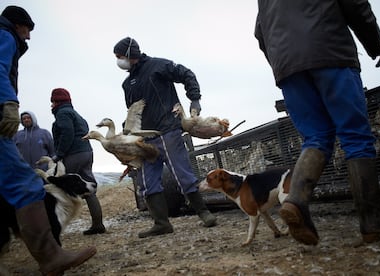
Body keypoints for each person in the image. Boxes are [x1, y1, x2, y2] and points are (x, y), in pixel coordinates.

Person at [254, 0, 380, 245]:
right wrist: (374, 44)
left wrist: (284, 62)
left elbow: (261, 32)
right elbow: (355, 5)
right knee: (355, 136)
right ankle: (372, 221)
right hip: (330, 53)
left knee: (315, 137)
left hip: (288, 68)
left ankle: (296, 202)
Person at [0, 5, 96, 274]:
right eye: (28, 29)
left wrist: (58, 154)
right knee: (25, 184)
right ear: (18, 25)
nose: (28, 37)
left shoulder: (56, 120)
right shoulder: (5, 34)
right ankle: (51, 256)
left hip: (68, 156)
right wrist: (7, 101)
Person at [113, 37, 217, 238]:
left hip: (167, 130)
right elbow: (132, 111)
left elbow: (187, 74)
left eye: (118, 56)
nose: (118, 61)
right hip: (144, 139)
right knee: (147, 181)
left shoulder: (158, 66)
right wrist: (127, 137)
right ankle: (161, 223)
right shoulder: (127, 84)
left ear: (128, 54)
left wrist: (194, 99)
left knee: (182, 174)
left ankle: (204, 213)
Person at [50, 87, 106, 235]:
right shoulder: (76, 114)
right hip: (86, 152)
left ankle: (57, 224)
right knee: (88, 189)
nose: (51, 105)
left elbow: (67, 133)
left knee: (62, 187)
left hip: (73, 154)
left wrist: (59, 154)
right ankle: (98, 224)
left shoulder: (63, 113)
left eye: (52, 102)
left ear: (56, 101)